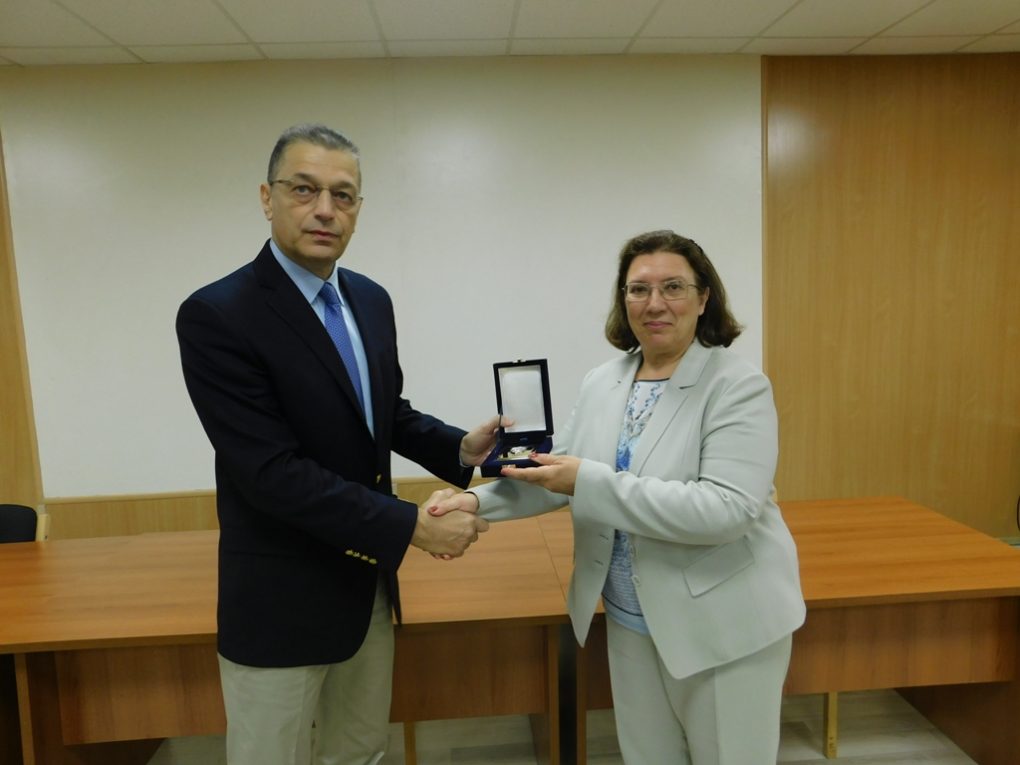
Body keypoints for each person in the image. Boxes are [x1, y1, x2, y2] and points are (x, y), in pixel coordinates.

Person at [176, 123, 497, 765]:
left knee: (361, 753)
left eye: (342, 195)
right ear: (267, 197)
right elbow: (272, 473)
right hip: (280, 598)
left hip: (365, 589)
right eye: (304, 189)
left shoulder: (369, 300)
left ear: (358, 208)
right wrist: (412, 526)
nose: (325, 209)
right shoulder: (218, 314)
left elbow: (382, 413)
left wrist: (461, 449)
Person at [435, 230, 806, 764]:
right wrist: (476, 503)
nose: (654, 303)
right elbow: (558, 472)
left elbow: (725, 511)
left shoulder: (737, 386)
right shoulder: (604, 381)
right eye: (638, 289)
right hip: (631, 618)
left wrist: (587, 481)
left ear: (704, 298)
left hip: (723, 625)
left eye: (673, 287)